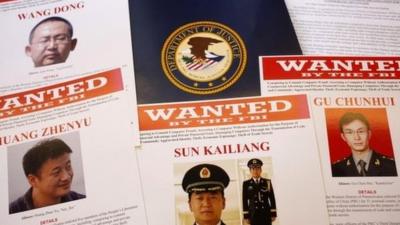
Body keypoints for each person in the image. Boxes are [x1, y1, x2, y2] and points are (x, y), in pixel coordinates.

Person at [9, 138, 85, 214]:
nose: (66, 177)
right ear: (33, 180)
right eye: (56, 172)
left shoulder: (82, 202)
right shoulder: (12, 212)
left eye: (68, 167)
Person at [331, 112, 397, 177]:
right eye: (349, 132)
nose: (357, 137)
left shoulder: (392, 165)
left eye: (361, 131)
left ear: (369, 134)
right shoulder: (335, 169)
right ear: (343, 137)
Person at [242, 158, 276, 225]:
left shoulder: (267, 182)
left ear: (261, 170)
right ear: (250, 171)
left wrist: (273, 213)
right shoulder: (246, 184)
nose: (255, 171)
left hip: (266, 213)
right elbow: (244, 200)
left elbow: (272, 198)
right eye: (253, 169)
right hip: (253, 214)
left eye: (257, 169)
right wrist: (246, 216)